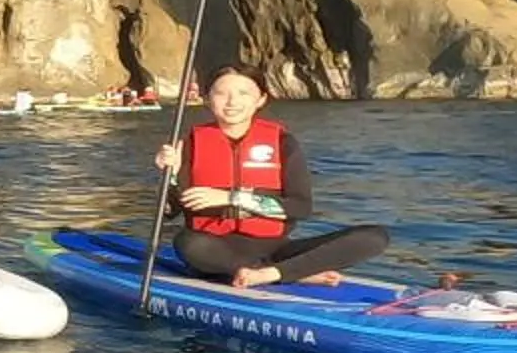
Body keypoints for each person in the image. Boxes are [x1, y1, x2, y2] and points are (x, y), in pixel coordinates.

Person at [152, 62, 389, 288]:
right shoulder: (190, 145)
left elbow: (301, 208)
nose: (232, 102)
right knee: (187, 243)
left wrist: (232, 198)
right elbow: (169, 212)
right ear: (207, 98)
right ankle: (292, 273)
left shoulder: (283, 142)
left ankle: (271, 273)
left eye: (244, 93)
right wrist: (170, 176)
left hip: (277, 250)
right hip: (215, 252)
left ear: (261, 99)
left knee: (375, 237)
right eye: (221, 93)